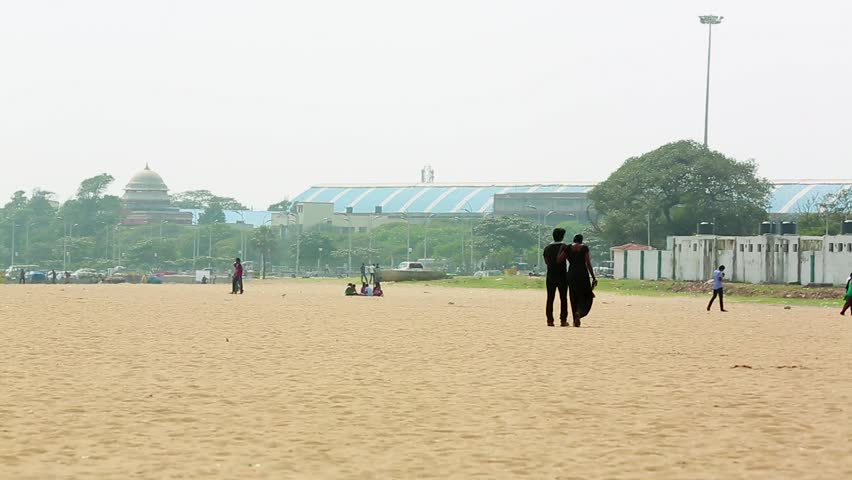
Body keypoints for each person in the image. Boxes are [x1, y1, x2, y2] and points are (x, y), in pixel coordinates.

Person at [566, 234, 597, 327]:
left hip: (571, 274)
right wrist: (593, 276)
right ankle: (580, 313)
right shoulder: (584, 248)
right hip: (582, 274)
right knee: (587, 295)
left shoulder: (568, 248)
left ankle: (574, 318)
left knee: (573, 296)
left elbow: (560, 259)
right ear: (581, 240)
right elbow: (588, 263)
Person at [542, 228, 569, 327]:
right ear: (562, 236)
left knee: (550, 298)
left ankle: (550, 320)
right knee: (563, 298)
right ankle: (563, 320)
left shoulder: (547, 248)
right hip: (562, 275)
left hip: (550, 275)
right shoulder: (565, 247)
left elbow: (546, 261)